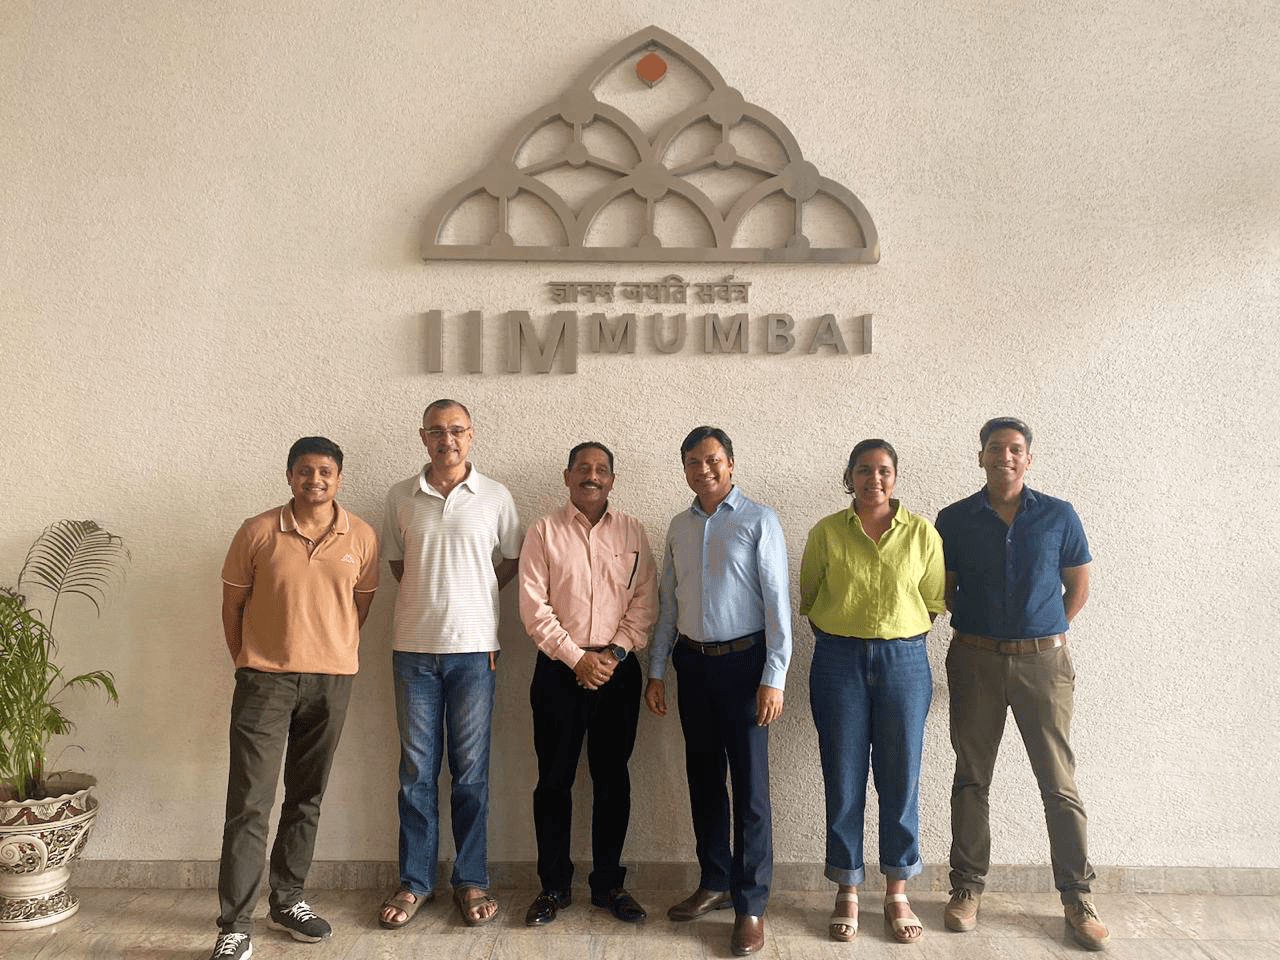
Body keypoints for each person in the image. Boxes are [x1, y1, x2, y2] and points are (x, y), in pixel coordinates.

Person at [935, 417, 1109, 951]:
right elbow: (944, 588)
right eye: (994, 448)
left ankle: (1077, 896)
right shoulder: (955, 518)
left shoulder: (1058, 514)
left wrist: (1045, 628)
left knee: (1059, 782)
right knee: (971, 778)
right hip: (975, 659)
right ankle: (966, 887)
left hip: (1044, 665)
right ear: (981, 456)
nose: (1004, 456)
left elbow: (1078, 584)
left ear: (1027, 458)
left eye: (1014, 449)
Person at [211, 437, 379, 960]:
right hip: (265, 681)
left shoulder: (363, 537)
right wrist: (251, 660)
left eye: (326, 472)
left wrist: (327, 652)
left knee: (307, 798)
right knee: (249, 803)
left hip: (332, 682)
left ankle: (288, 900)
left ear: (339, 478)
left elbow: (358, 609)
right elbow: (232, 605)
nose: (316, 480)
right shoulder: (257, 531)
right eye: (305, 471)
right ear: (289, 476)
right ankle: (235, 924)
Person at [644, 425, 792, 958]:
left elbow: (778, 605)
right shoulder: (679, 526)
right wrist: (656, 669)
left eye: (711, 460)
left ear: (730, 463)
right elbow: (667, 602)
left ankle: (751, 905)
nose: (702, 469)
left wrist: (773, 676)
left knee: (750, 789)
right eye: (691, 462)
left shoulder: (759, 519)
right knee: (704, 780)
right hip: (693, 665)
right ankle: (715, 881)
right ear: (684, 469)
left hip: (746, 666)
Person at [378, 400, 520, 930]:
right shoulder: (399, 496)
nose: (447, 439)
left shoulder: (496, 497)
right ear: (422, 437)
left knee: (471, 775)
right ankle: (415, 882)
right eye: (436, 431)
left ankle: (470, 878)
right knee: (416, 773)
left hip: (474, 651)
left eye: (456, 430)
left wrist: (471, 599)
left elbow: (507, 561)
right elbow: (397, 564)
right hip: (413, 651)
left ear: (471, 435)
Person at [800, 439, 944, 943]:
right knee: (842, 775)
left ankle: (897, 890)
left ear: (896, 476)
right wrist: (850, 634)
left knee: (900, 776)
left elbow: (931, 601)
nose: (873, 479)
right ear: (850, 476)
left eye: (883, 470)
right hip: (838, 660)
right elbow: (811, 598)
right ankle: (847, 887)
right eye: (864, 470)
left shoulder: (923, 532)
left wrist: (891, 636)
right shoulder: (825, 532)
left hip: (905, 660)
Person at [517, 442, 658, 926]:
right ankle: (553, 887)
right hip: (559, 671)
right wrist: (577, 658)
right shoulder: (542, 531)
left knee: (612, 780)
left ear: (612, 480)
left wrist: (613, 653)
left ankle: (609, 885)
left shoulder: (633, 531)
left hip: (617, 672)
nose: (591, 476)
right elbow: (534, 606)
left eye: (601, 470)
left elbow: (645, 601)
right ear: (567, 476)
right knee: (553, 781)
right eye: (583, 468)